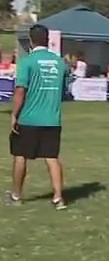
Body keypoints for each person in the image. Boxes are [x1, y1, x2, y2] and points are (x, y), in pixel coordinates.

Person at [7, 24, 67, 209]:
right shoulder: (60, 62)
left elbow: (20, 91)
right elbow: (63, 90)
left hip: (29, 117)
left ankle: (16, 195)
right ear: (48, 39)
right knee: (52, 157)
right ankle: (58, 198)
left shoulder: (27, 62)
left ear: (31, 41)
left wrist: (14, 114)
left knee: (20, 156)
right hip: (52, 118)